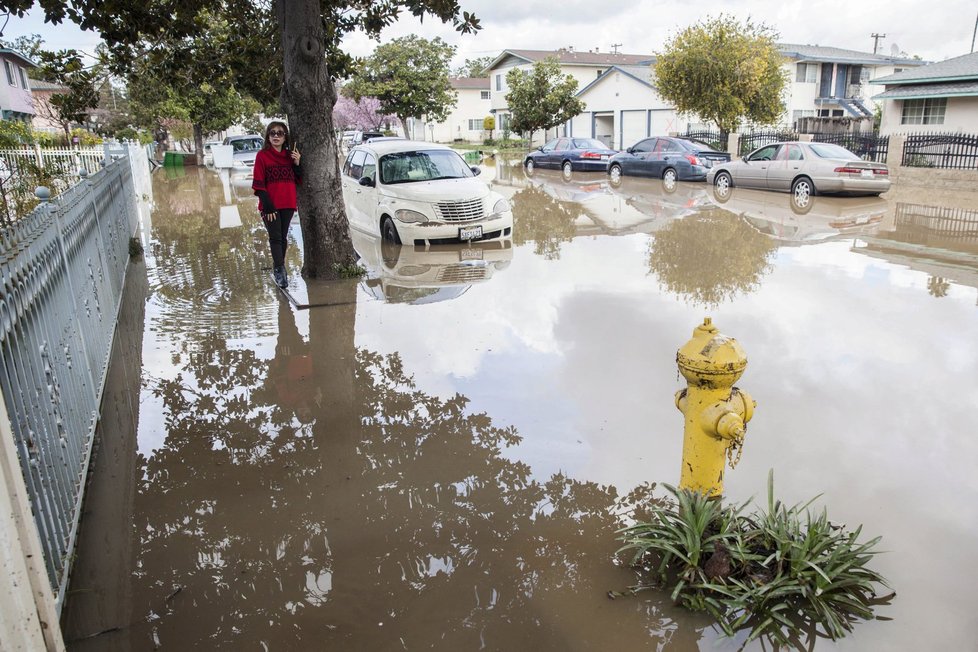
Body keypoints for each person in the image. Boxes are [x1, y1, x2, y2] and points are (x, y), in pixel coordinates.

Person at [252, 121, 301, 288]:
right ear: (268, 136)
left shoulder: (289, 156)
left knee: (283, 237)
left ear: (285, 136)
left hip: (287, 202)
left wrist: (296, 164)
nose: (276, 136)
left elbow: (298, 179)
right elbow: (258, 184)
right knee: (275, 237)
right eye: (272, 133)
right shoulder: (262, 156)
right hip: (270, 205)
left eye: (280, 133)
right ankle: (280, 270)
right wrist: (268, 206)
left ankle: (278, 265)